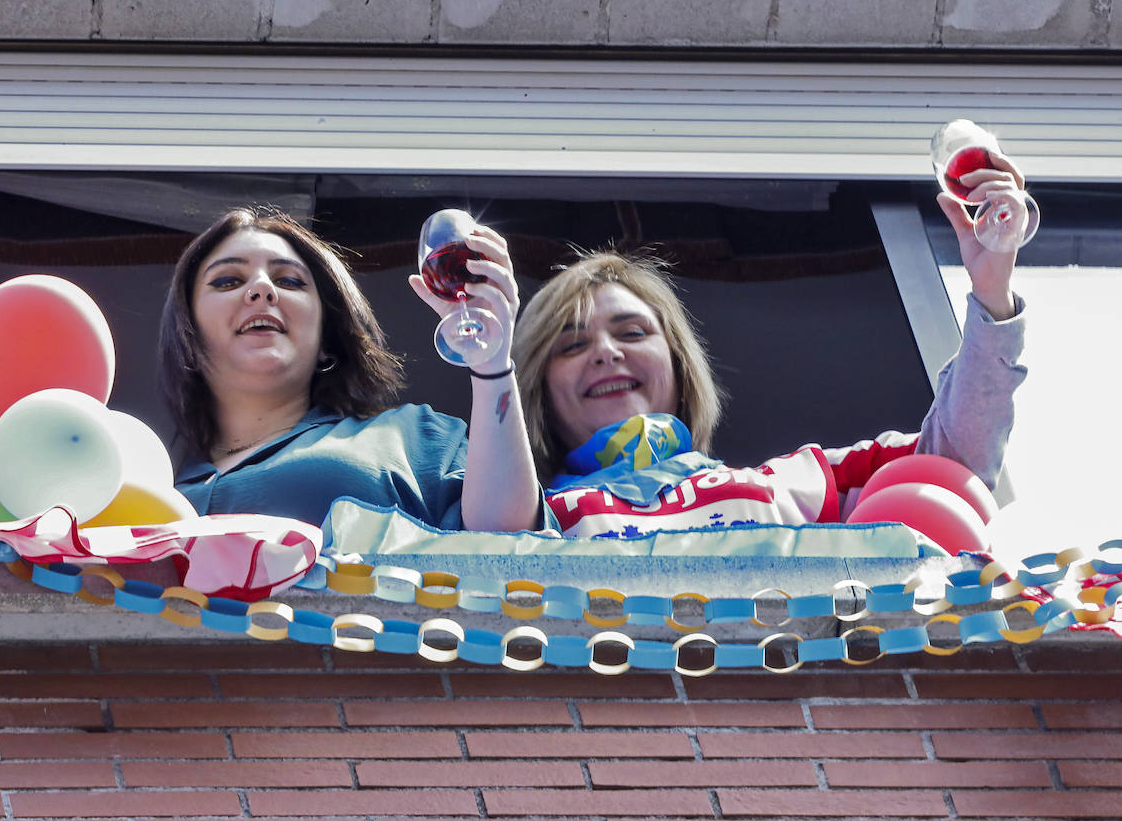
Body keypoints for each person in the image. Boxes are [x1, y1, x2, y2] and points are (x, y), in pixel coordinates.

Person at [512, 160, 1029, 539]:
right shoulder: (515, 513)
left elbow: (951, 467)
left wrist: (990, 294)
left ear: (680, 367)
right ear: (539, 391)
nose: (605, 352)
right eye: (573, 344)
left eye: (632, 333)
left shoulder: (794, 482)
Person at [160, 207, 543, 533]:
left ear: (328, 338)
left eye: (289, 281)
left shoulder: (411, 437)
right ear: (186, 333)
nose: (262, 290)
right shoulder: (152, 482)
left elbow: (507, 540)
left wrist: (491, 363)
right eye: (228, 280)